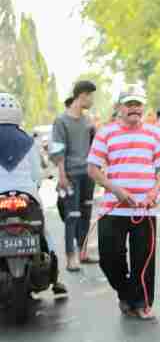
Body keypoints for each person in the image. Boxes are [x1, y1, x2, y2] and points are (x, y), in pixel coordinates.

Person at [87, 87, 160, 320]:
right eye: (129, 104)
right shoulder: (106, 133)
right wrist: (116, 190)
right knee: (108, 258)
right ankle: (126, 294)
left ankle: (142, 303)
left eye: (138, 104)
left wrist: (155, 191)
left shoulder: (154, 134)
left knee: (143, 261)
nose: (134, 108)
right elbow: (93, 169)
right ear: (119, 107)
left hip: (145, 208)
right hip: (113, 208)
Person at [0, 93, 67, 295]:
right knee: (43, 231)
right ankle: (56, 280)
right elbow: (37, 175)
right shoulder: (28, 141)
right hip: (27, 196)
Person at [49, 80, 98, 272]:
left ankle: (83, 252)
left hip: (88, 175)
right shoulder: (61, 121)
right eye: (91, 96)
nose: (92, 100)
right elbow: (57, 150)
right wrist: (62, 175)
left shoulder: (88, 121)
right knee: (72, 216)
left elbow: (95, 146)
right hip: (70, 175)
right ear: (82, 95)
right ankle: (71, 257)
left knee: (85, 214)